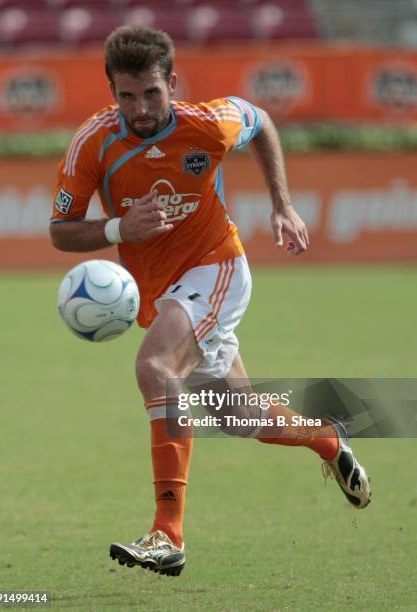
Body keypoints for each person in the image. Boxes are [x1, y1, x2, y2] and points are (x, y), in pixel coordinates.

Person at [50, 25, 371, 577]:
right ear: (113, 93)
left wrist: (282, 206)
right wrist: (119, 227)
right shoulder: (93, 143)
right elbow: (61, 230)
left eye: (151, 92)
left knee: (154, 367)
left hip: (217, 266)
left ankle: (166, 534)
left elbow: (262, 122)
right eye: (127, 95)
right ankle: (328, 439)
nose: (141, 108)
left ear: (171, 82)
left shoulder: (208, 123)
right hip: (161, 294)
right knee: (239, 415)